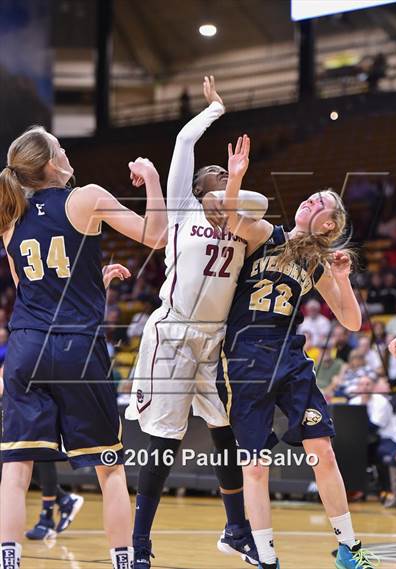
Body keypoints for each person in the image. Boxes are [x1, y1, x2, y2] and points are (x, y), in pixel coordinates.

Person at [0, 125, 167, 569]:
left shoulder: (10, 217)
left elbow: (31, 293)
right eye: (60, 147)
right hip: (77, 345)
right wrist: (151, 177)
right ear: (52, 163)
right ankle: (122, 562)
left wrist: (96, 285)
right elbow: (157, 235)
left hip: (26, 347)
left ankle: (9, 562)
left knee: (16, 471)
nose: (67, 151)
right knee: (109, 468)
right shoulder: (87, 196)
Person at [217, 134, 379, 569]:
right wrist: (235, 178)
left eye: (321, 202)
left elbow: (352, 321)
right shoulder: (265, 233)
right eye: (310, 197)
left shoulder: (317, 263)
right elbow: (229, 221)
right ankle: (266, 557)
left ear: (330, 225)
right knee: (255, 466)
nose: (310, 201)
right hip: (244, 355)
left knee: (321, 449)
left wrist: (343, 277)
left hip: (289, 358)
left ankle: (349, 548)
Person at [125, 76, 267, 569]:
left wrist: (229, 189)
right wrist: (215, 110)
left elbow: (262, 204)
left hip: (215, 338)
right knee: (164, 439)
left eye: (217, 170)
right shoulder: (182, 206)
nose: (209, 169)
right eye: (205, 172)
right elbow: (185, 142)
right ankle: (139, 542)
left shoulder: (242, 215)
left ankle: (236, 528)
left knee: (225, 430)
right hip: (173, 332)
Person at [25, 264, 129, 541]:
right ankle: (60, 501)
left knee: (43, 448)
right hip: (45, 354)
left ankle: (51, 511)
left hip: (72, 362)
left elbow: (79, 309)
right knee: (27, 450)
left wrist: (100, 286)